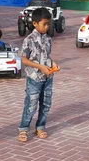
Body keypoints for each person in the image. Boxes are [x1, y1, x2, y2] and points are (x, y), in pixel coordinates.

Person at [17, 7, 60, 143]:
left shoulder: (48, 39)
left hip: (48, 78)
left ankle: (40, 126)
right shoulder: (28, 40)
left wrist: (53, 64)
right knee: (31, 104)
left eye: (48, 24)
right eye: (44, 24)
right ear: (35, 23)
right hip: (34, 78)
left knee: (46, 103)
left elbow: (47, 56)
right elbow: (24, 59)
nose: (47, 27)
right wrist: (40, 67)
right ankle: (24, 128)